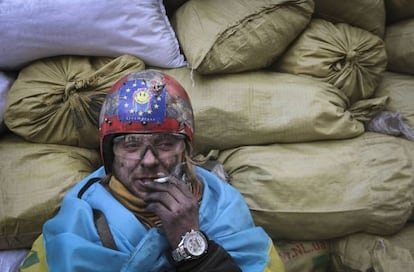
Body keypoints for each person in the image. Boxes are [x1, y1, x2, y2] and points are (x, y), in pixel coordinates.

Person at [24, 70, 285, 271]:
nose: (149, 161)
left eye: (165, 143)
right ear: (110, 154)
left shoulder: (221, 205)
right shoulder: (82, 218)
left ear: (186, 150)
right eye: (131, 144)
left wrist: (192, 243)